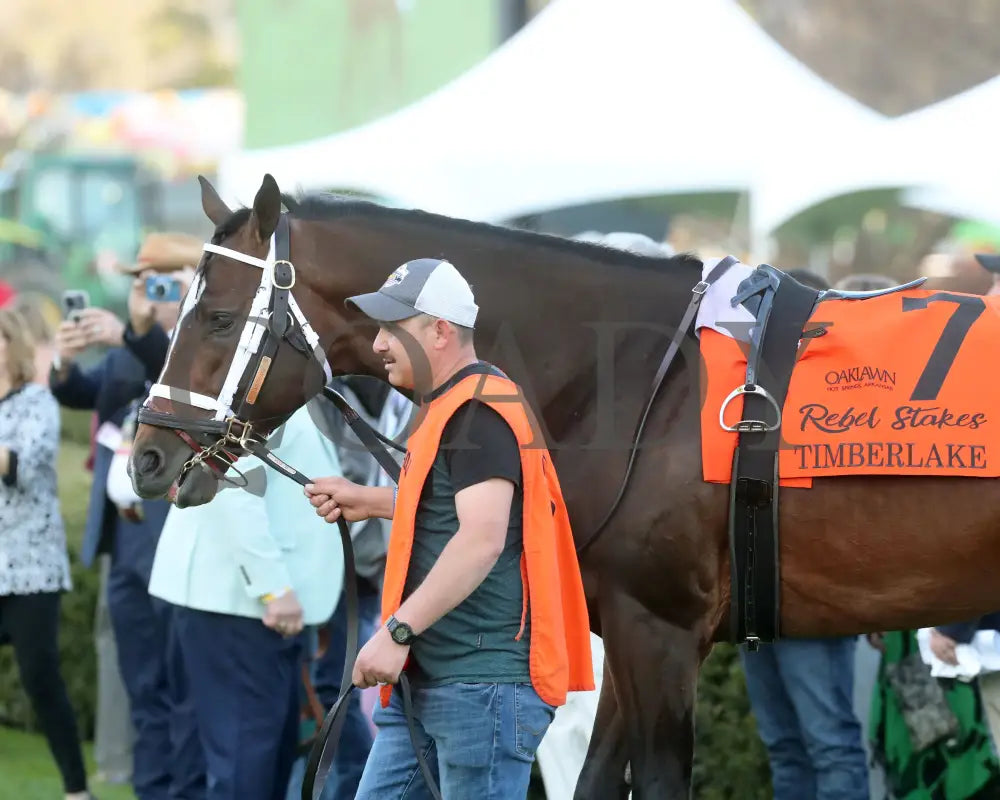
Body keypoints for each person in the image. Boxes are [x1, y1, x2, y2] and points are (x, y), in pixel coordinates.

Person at [304, 257, 594, 800]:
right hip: (437, 682)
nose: (378, 345)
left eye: (393, 329)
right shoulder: (457, 404)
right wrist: (370, 501)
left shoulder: (476, 411)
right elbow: (457, 507)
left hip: (480, 688)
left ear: (440, 330)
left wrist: (396, 632)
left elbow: (481, 539)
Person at [49, 232, 205, 800]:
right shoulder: (131, 342)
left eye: (163, 281)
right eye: (142, 281)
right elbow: (88, 394)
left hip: (171, 539)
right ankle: (152, 789)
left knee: (178, 683)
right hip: (127, 544)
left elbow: (175, 378)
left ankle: (184, 791)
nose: (149, 292)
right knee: (140, 684)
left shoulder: (199, 345)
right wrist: (64, 362)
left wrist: (137, 333)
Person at [149, 402, 346, 800]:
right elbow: (232, 490)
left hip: (242, 608)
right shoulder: (259, 395)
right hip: (242, 607)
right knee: (246, 767)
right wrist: (273, 588)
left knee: (250, 762)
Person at [0, 307, 96, 800]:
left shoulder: (37, 402)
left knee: (41, 679)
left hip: (31, 569)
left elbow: (21, 463)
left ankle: (76, 789)